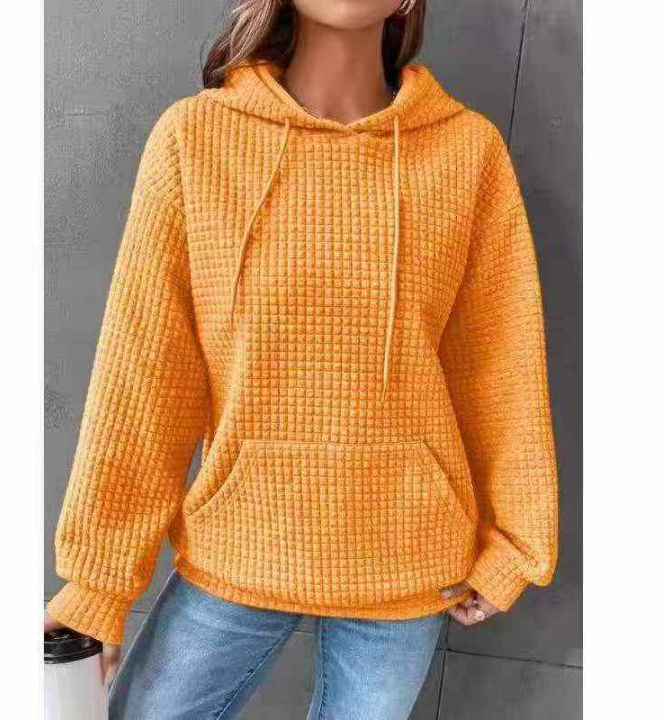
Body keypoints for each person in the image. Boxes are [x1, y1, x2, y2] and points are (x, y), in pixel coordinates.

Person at [44, 1, 559, 717]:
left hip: (406, 555)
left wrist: (515, 543)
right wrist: (97, 583)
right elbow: (145, 372)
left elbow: (500, 362)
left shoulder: (466, 152)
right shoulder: (196, 139)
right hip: (241, 544)